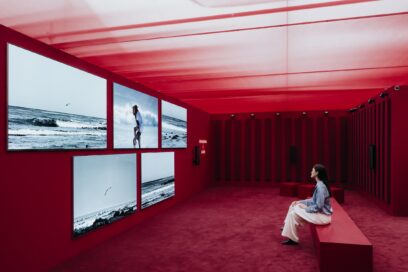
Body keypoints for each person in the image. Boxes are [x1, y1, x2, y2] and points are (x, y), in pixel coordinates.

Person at [281, 164, 333, 245]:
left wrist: (305, 208)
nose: (310, 172)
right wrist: (300, 202)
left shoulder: (320, 187)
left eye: (312, 170)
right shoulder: (320, 184)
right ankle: (291, 236)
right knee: (293, 207)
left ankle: (291, 237)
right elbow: (313, 200)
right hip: (321, 214)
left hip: (323, 217)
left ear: (316, 173)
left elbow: (319, 206)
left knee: (294, 211)